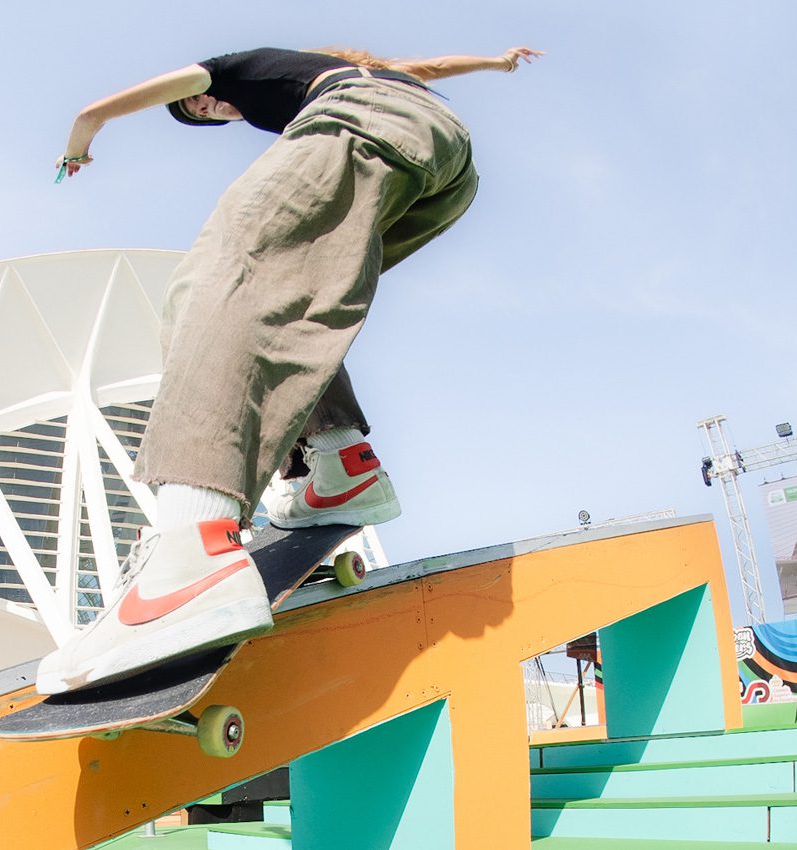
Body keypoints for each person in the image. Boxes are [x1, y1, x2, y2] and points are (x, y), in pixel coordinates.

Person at [38, 45, 543, 694]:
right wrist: (496, 64)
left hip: (360, 131)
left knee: (221, 277)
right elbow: (431, 68)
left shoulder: (252, 68)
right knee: (297, 295)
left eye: (202, 102)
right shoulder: (360, 67)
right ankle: (341, 468)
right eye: (205, 112)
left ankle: (191, 552)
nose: (212, 105)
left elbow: (96, 108)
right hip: (444, 168)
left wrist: (80, 143)